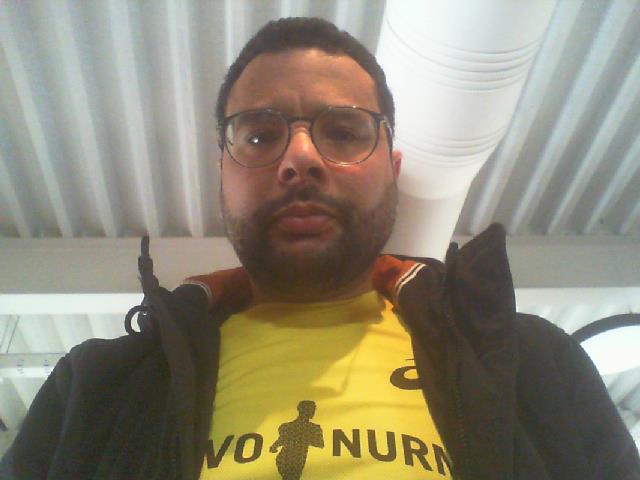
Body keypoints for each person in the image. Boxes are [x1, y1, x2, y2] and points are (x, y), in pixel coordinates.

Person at [2, 17, 639, 480]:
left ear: (392, 170)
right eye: (259, 135)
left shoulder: (534, 366)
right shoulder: (98, 388)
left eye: (343, 131)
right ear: (223, 173)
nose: (301, 157)